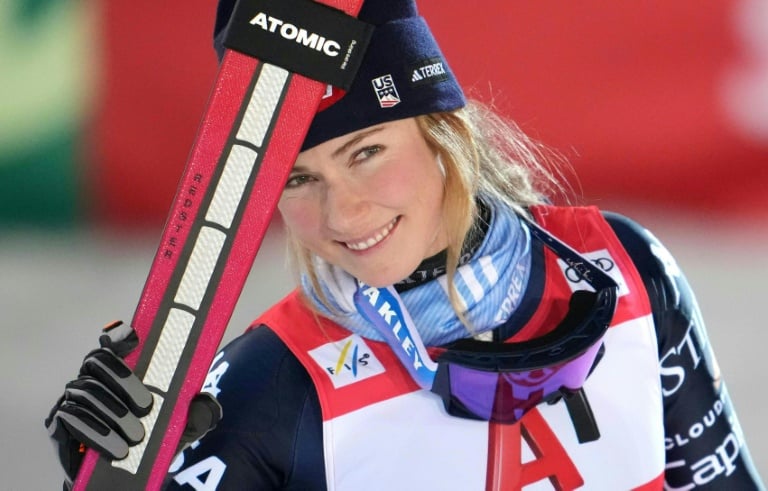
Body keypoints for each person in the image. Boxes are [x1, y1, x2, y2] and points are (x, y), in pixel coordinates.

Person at [46, 0, 766, 489]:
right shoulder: (266, 384)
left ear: (443, 131)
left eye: (366, 153)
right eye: (298, 178)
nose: (343, 211)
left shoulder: (626, 268)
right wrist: (113, 474)